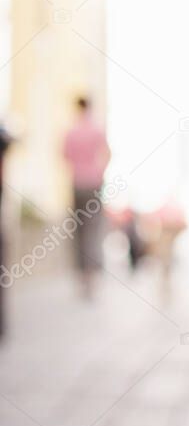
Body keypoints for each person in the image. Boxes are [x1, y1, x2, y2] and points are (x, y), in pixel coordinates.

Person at [62, 97, 110, 298]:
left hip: (77, 183)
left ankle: (82, 276)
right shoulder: (96, 129)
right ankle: (91, 275)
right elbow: (107, 153)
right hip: (94, 184)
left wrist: (78, 169)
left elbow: (65, 157)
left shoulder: (71, 132)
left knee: (79, 231)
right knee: (93, 228)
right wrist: (99, 171)